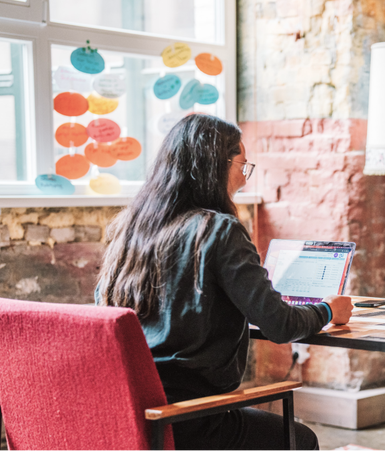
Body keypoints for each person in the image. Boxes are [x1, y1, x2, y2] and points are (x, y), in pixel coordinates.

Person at [95, 114, 353, 451]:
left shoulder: (128, 230)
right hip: (190, 419)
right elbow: (279, 324)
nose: (243, 182)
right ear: (215, 166)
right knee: (301, 440)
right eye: (243, 167)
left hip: (131, 413)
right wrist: (328, 310)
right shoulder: (218, 230)